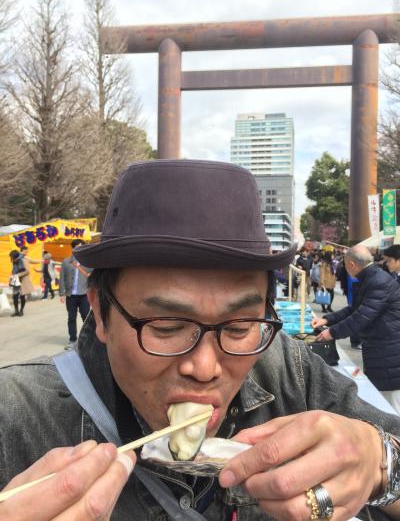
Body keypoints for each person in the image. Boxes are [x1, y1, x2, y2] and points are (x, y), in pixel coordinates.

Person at [1, 160, 400, 521]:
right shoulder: (15, 414)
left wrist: (381, 463)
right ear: (101, 313)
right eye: (167, 327)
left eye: (240, 326)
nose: (205, 368)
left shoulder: (286, 369)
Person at [312, 244, 400, 413]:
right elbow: (355, 309)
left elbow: (361, 317)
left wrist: (331, 332)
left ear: (351, 264)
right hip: (381, 350)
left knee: (393, 406)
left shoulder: (377, 281)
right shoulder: (372, 277)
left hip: (389, 352)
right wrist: (326, 319)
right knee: (385, 403)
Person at [59, 239, 92, 350]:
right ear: (72, 248)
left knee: (86, 317)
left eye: (80, 247)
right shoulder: (66, 262)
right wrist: (62, 293)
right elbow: (62, 278)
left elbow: (94, 275)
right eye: (76, 247)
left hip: (84, 295)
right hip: (71, 295)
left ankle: (87, 340)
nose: (78, 249)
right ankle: (72, 340)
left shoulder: (88, 262)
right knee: (71, 318)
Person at [8, 249, 35, 316]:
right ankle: (16, 311)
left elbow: (27, 271)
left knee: (22, 296)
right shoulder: (15, 261)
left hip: (23, 280)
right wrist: (11, 279)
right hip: (16, 281)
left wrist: (17, 275)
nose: (11, 258)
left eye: (12, 257)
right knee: (15, 296)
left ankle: (21, 311)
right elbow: (13, 270)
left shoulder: (23, 260)